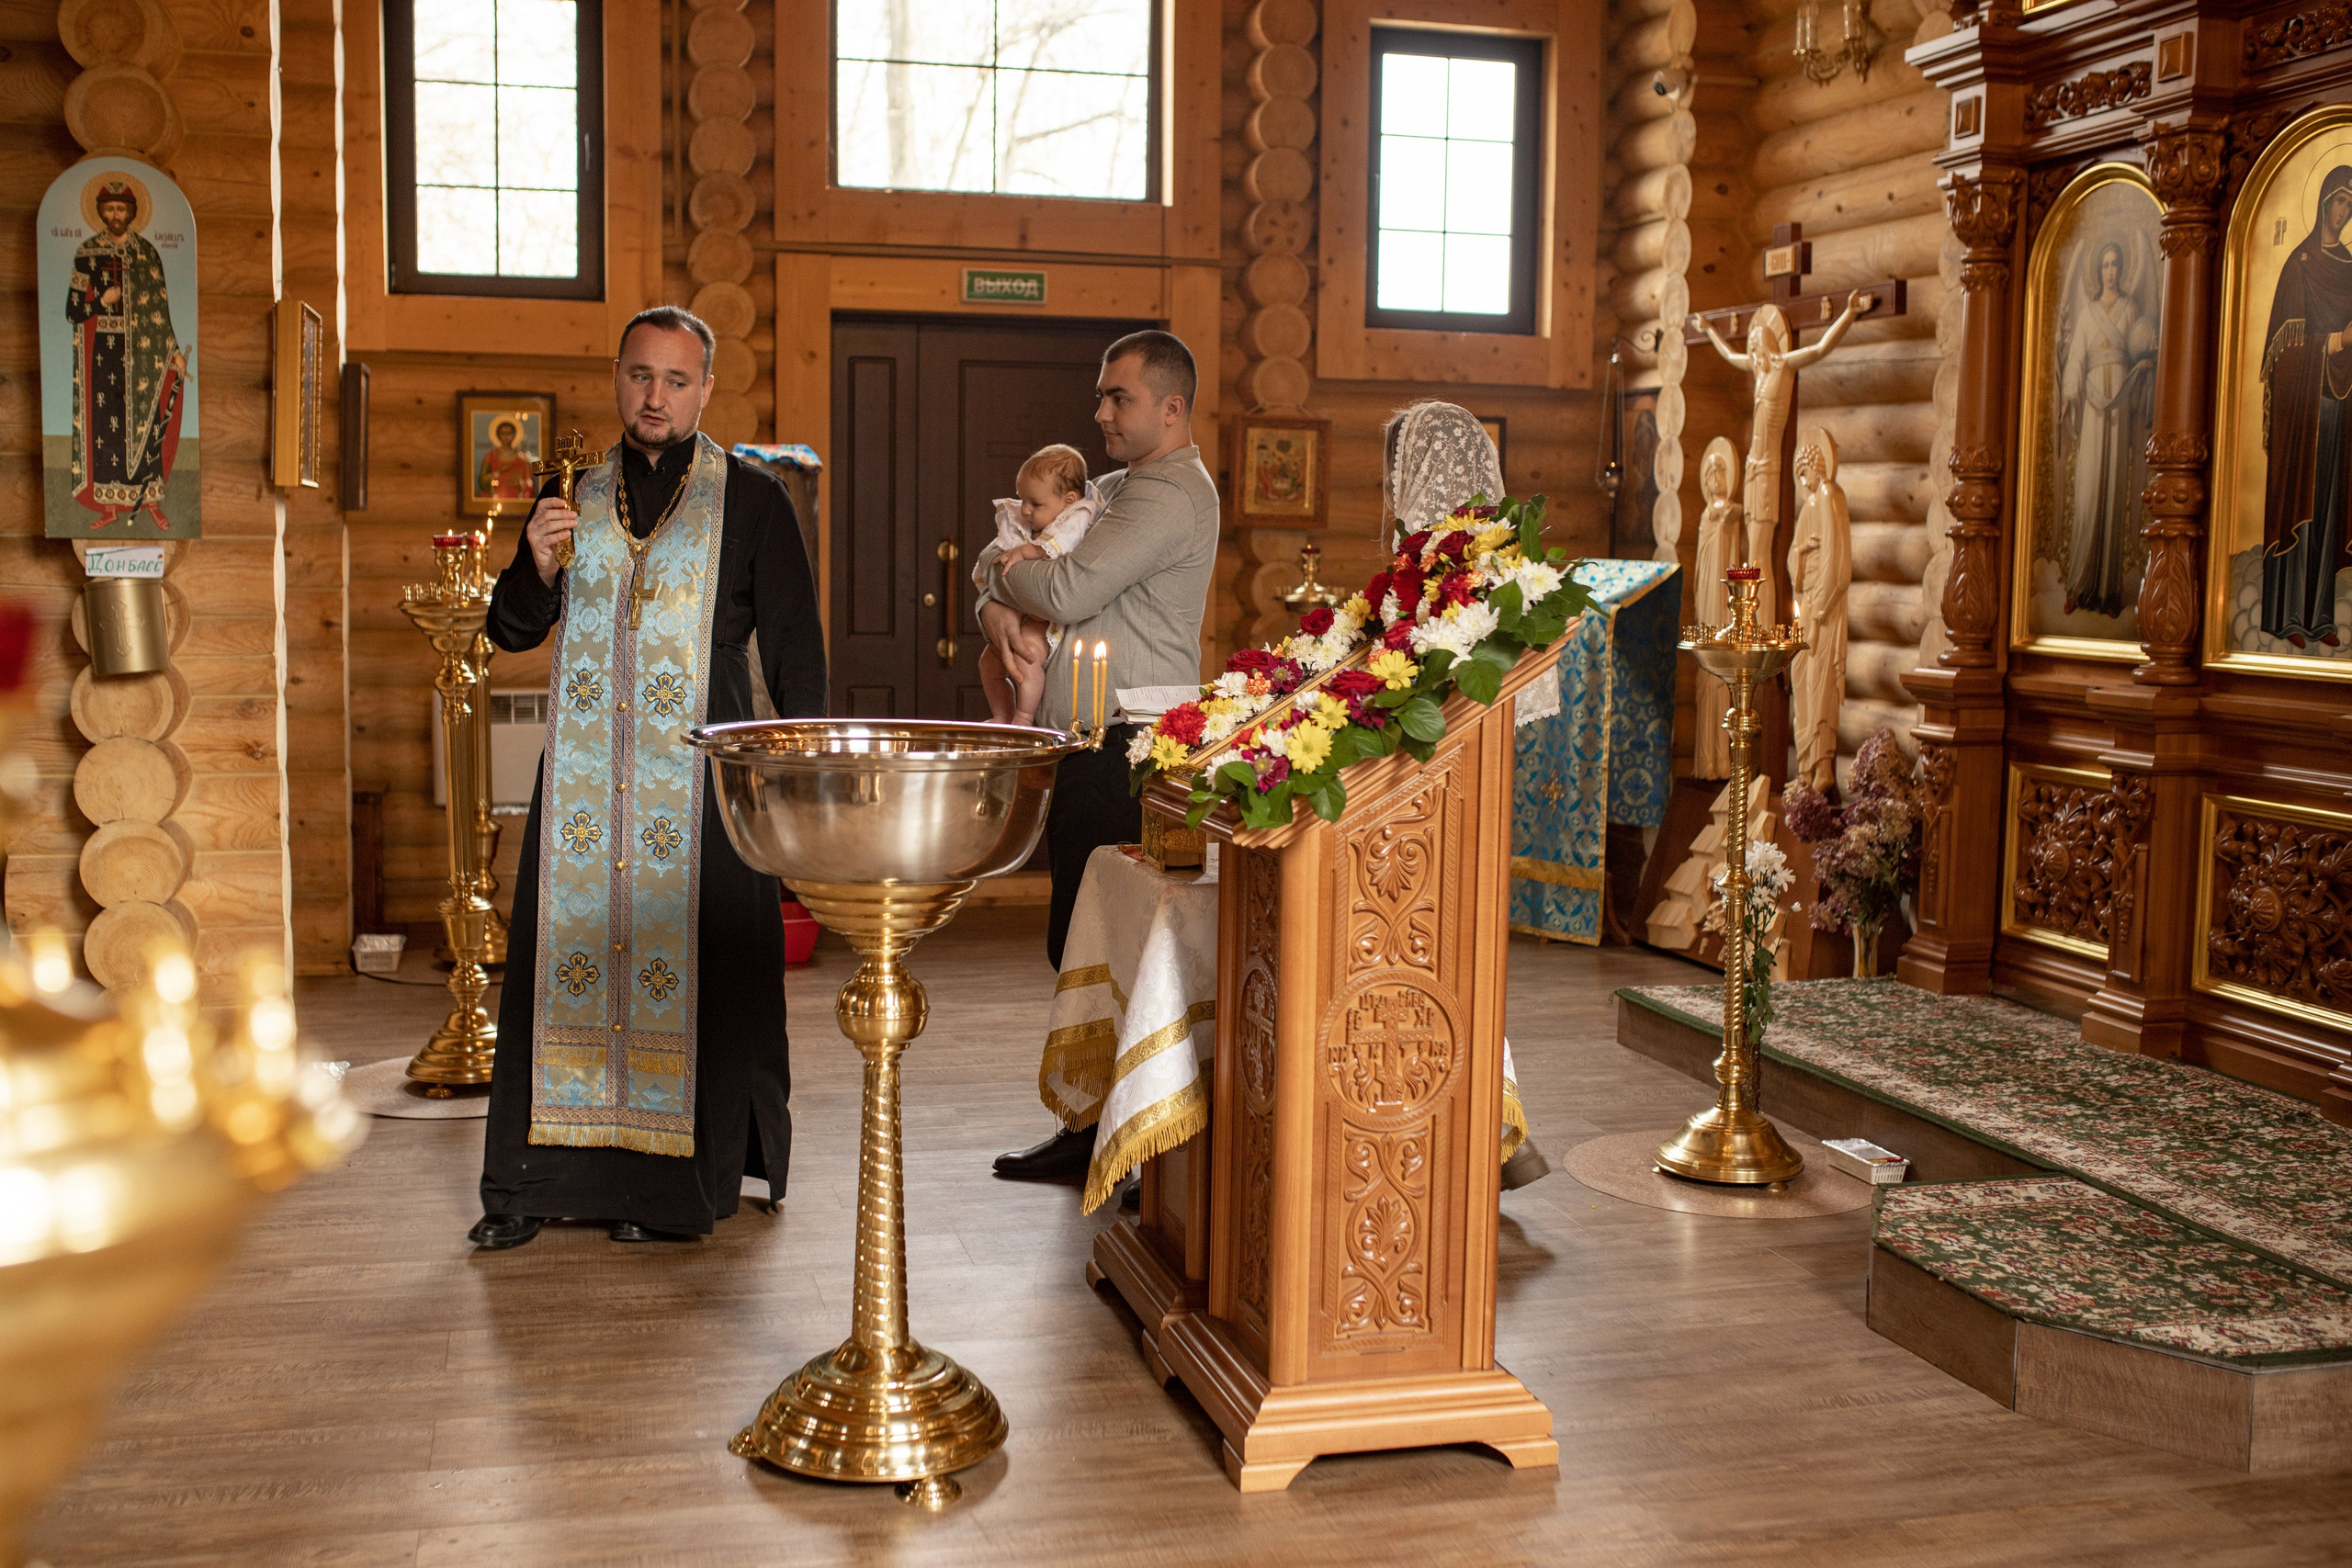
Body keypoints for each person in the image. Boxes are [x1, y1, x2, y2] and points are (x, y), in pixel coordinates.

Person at [466, 305, 826, 1250]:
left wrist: (803, 783)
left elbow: (796, 648)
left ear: (705, 389)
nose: (654, 396)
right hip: (585, 791)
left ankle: (665, 1192)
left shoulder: (752, 500)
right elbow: (510, 628)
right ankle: (533, 1186)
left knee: (694, 969)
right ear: (617, 378)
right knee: (567, 964)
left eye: (675, 379)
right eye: (639, 375)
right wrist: (536, 563)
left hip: (697, 786)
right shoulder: (571, 493)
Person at [983, 330, 1219, 1181]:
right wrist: (997, 601)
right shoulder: (1112, 490)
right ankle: (1091, 1130)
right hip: (1088, 741)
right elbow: (1003, 555)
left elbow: (1065, 586)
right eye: (1101, 396)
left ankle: (1134, 1145)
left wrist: (1005, 585)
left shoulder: (1171, 495)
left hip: (1133, 745)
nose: (1100, 413)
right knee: (1077, 940)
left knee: (1117, 950)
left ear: (1172, 407)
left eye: (1119, 397)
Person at [1382, 400, 1553, 1190]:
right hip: (1430, 794)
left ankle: (1474, 1126)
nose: (1390, 491)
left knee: (1443, 958)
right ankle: (1451, 1123)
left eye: (1396, 471)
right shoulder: (1466, 568)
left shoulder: (1471, 579)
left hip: (1442, 792)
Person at [2258, 164, 2352, 649]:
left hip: (2339, 405)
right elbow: (2282, 355)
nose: (2344, 212)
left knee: (2330, 508)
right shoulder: (2299, 263)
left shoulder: (2350, 268)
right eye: (2339, 201)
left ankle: (2320, 617)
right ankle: (2287, 614)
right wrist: (2335, 341)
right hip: (2304, 411)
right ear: (2322, 202)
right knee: (2303, 505)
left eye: (2350, 205)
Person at [65, 177, 187, 528]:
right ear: (101, 213)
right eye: (109, 209)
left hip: (143, 357)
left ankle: (150, 501)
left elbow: (159, 312)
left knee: (148, 423)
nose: (116, 215)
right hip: (106, 350)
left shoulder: (147, 254)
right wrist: (101, 302)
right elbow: (73, 311)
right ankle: (109, 508)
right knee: (107, 427)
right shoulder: (87, 253)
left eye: (121, 209)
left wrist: (174, 351)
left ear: (131, 213)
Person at [2058, 238, 2155, 619]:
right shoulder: (2088, 314)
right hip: (2094, 409)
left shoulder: (2131, 309)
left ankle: (2108, 592)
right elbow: (2076, 362)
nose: (2111, 272)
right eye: (2106, 265)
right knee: (2088, 494)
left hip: (2120, 405)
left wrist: (2143, 366)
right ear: (2098, 272)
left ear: (2122, 268)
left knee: (2113, 492)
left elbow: (2138, 349)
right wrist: (2068, 396)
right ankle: (2077, 585)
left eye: (2116, 264)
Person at [977, 444, 1103, 725]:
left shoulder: (1078, 518)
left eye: (1035, 504)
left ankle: (1024, 716)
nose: (1025, 510)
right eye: (1022, 500)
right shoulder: (1033, 522)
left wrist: (1028, 551)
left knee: (1028, 656)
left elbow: (1057, 549)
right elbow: (991, 558)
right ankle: (1001, 714)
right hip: (1021, 610)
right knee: (988, 663)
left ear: (1069, 501)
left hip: (1045, 621)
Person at [481, 418, 536, 501]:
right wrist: (497, 473)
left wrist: (520, 483)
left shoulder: (523, 458)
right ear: (498, 435)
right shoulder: (490, 456)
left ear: (514, 435)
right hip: (496, 500)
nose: (506, 437)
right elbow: (482, 481)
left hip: (517, 502)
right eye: (503, 433)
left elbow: (529, 483)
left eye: (509, 433)